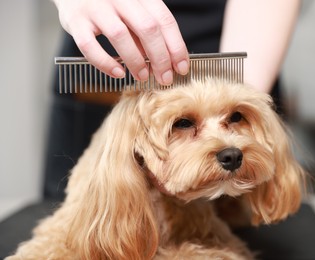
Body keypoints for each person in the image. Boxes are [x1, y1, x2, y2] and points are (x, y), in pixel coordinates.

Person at [44, 0, 301, 199]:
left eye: (233, 118)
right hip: (104, 65)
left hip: (249, 54)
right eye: (185, 123)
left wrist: (244, 95)